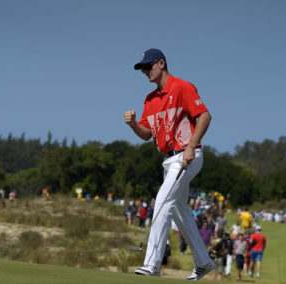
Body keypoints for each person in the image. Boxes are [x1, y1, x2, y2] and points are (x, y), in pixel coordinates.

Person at [126, 48, 214, 280]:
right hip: (169, 160)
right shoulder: (150, 99)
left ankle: (152, 264)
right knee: (180, 212)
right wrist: (134, 124)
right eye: (142, 68)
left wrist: (191, 146)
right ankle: (203, 262)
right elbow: (147, 134)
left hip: (187, 156)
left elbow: (204, 116)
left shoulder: (183, 87)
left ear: (162, 64)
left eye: (148, 66)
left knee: (163, 203)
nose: (145, 71)